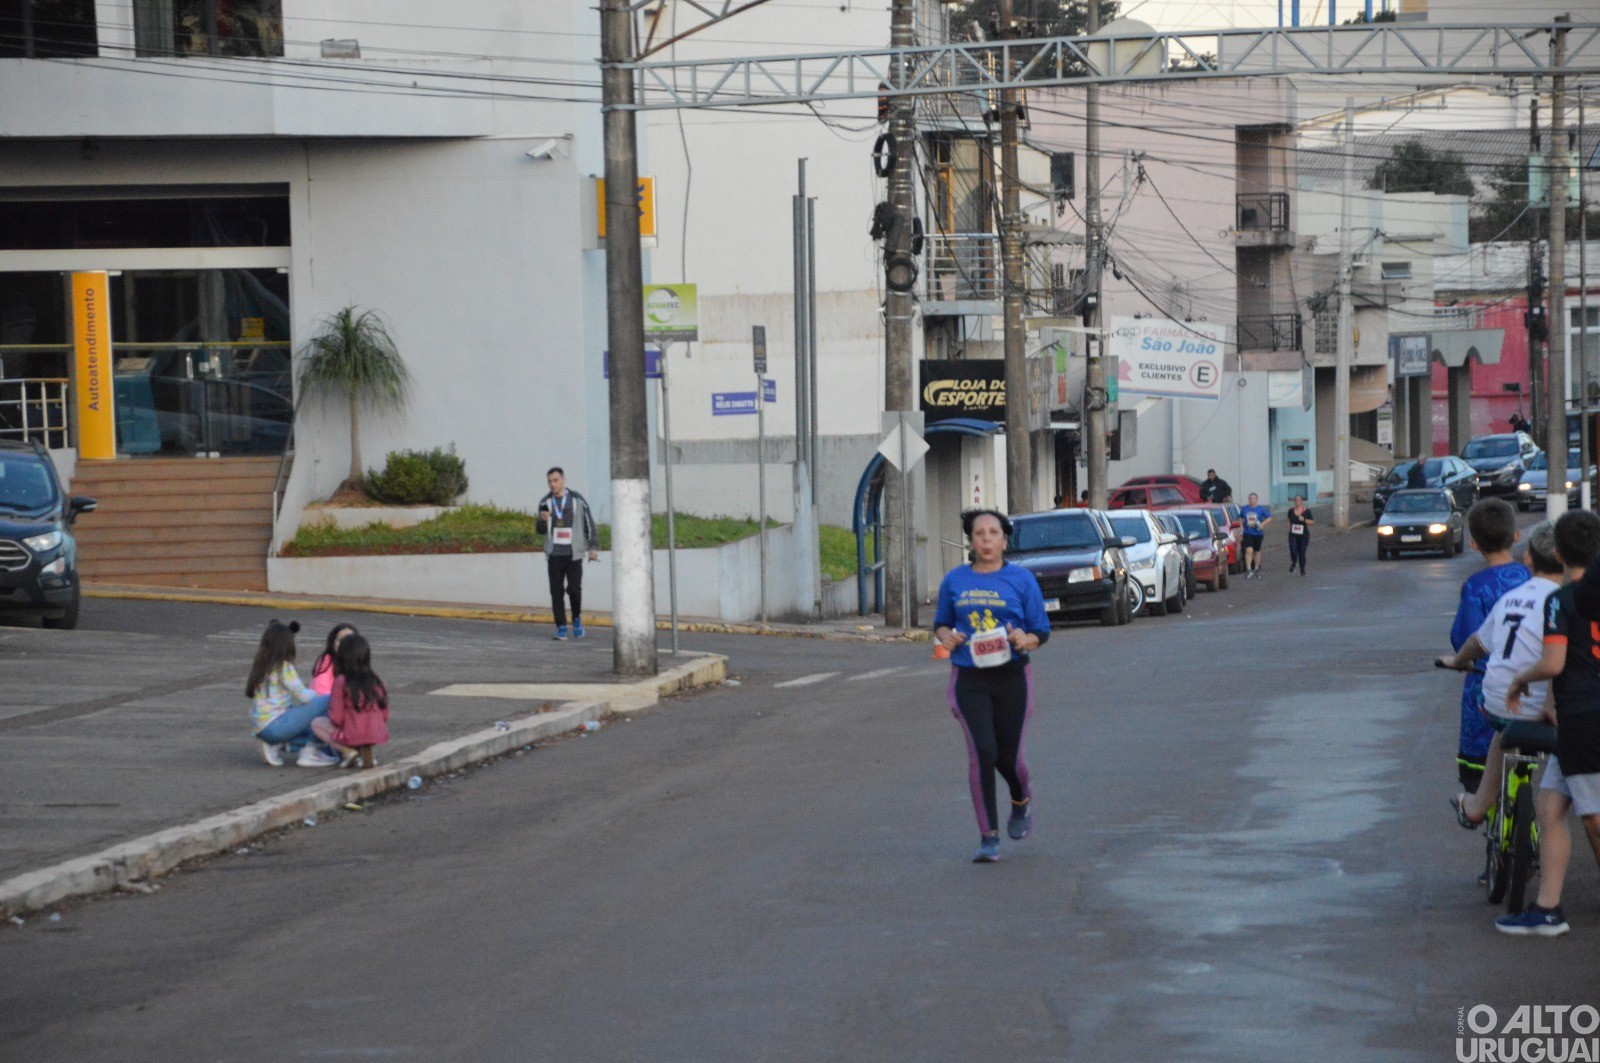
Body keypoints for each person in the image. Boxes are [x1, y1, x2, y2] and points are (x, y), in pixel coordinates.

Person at [1496, 510, 1600, 936]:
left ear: (1557, 553)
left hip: (1584, 719)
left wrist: (1519, 680)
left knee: (1594, 818)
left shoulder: (1562, 601)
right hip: (1576, 719)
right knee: (1551, 805)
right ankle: (1547, 908)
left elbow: (1554, 662)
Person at [933, 509, 1052, 864]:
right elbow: (940, 624)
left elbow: (1040, 630)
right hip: (969, 678)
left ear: (1004, 539)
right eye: (979, 533)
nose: (986, 540)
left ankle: (1021, 800)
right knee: (983, 753)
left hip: (1012, 677)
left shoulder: (1021, 580)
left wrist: (1024, 639)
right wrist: (947, 637)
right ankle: (988, 837)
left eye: (993, 533)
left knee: (1009, 757)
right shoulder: (954, 581)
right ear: (970, 540)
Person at [1436, 521, 1561, 830]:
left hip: (1498, 701)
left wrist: (1458, 661)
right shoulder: (1570, 598)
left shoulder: (1509, 598)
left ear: (1528, 558)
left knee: (1501, 731)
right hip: (1553, 711)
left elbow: (1475, 641)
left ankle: (1478, 805)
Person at [1449, 498, 1530, 794]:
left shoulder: (1476, 586)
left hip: (1487, 688)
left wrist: (1461, 659)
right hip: (1530, 685)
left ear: (1474, 544)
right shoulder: (1531, 578)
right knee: (1523, 759)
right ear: (1516, 537)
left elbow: (1464, 637)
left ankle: (1484, 809)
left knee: (1480, 769)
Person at [247, 620, 338, 768]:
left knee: (309, 727)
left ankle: (274, 744)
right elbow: (303, 696)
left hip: (261, 727)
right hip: (275, 725)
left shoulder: (262, 665)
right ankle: (309, 753)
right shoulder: (283, 666)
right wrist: (318, 697)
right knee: (329, 701)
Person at [537, 467, 600, 641]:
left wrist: (592, 547)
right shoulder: (545, 502)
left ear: (563, 480)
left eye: (556, 480)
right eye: (549, 481)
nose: (552, 484)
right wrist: (542, 521)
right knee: (556, 592)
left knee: (574, 588)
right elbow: (540, 530)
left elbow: (590, 524)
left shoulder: (577, 499)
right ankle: (561, 626)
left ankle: (577, 619)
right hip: (554, 554)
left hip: (574, 554)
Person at [311, 633, 390, 769]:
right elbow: (385, 714)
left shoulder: (341, 681)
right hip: (376, 733)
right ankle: (364, 753)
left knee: (316, 724)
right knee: (361, 724)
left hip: (352, 734)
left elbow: (337, 717)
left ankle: (348, 751)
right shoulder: (376, 679)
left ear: (342, 656)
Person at [308, 621, 358, 696]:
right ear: (333, 642)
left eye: (349, 641)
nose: (344, 644)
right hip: (325, 702)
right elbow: (320, 690)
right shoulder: (327, 660)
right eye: (340, 640)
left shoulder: (358, 662)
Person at [1238, 493, 1272, 579]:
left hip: (1258, 533)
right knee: (1249, 550)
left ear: (1257, 500)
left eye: (1254, 499)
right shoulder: (1245, 509)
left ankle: (1256, 569)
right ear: (1248, 500)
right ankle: (1248, 569)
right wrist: (1241, 525)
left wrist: (1263, 524)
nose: (1252, 500)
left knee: (1257, 551)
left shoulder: (1261, 509)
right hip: (1248, 532)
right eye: (1251, 499)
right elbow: (1240, 517)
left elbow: (1270, 517)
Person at [1284, 495, 1314, 575]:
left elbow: (1312, 522)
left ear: (1301, 501)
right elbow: (1288, 519)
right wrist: (1288, 523)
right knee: (1293, 549)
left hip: (1303, 535)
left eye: (1299, 499)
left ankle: (1302, 569)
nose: (1297, 501)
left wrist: (1304, 519)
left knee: (1302, 552)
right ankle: (1294, 562)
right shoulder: (1291, 511)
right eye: (1296, 500)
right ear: (1294, 501)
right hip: (1293, 535)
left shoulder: (1306, 511)